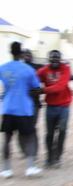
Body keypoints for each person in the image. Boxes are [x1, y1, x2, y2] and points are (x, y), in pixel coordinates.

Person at [0, 42, 43, 178]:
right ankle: (30, 167)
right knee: (29, 137)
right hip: (24, 109)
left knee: (7, 139)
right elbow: (36, 89)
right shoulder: (28, 70)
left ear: (10, 52)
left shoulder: (3, 68)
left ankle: (6, 170)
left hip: (7, 108)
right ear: (21, 53)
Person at [37, 50, 72, 168]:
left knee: (62, 130)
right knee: (49, 134)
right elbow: (34, 78)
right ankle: (49, 157)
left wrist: (42, 90)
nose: (55, 61)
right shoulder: (44, 70)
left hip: (64, 106)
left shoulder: (65, 69)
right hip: (51, 107)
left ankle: (57, 157)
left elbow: (60, 86)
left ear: (60, 59)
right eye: (53, 59)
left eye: (57, 59)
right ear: (49, 59)